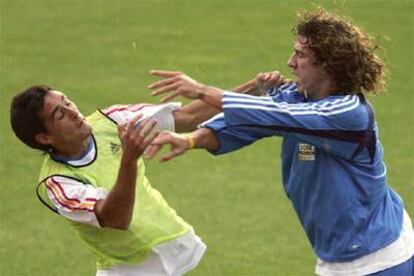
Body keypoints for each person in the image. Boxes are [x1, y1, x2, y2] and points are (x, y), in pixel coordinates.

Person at [146, 9, 414, 275]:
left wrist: (202, 90)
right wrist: (190, 140)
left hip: (380, 257)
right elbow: (241, 126)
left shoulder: (348, 114)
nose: (290, 62)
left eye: (301, 55)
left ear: (328, 66)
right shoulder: (297, 96)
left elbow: (271, 114)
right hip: (338, 259)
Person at [9, 85, 223, 276]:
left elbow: (186, 117)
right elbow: (116, 219)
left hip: (174, 246)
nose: (72, 111)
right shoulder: (59, 183)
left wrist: (251, 93)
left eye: (67, 102)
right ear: (45, 138)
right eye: (60, 114)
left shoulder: (111, 120)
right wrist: (128, 160)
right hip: (130, 270)